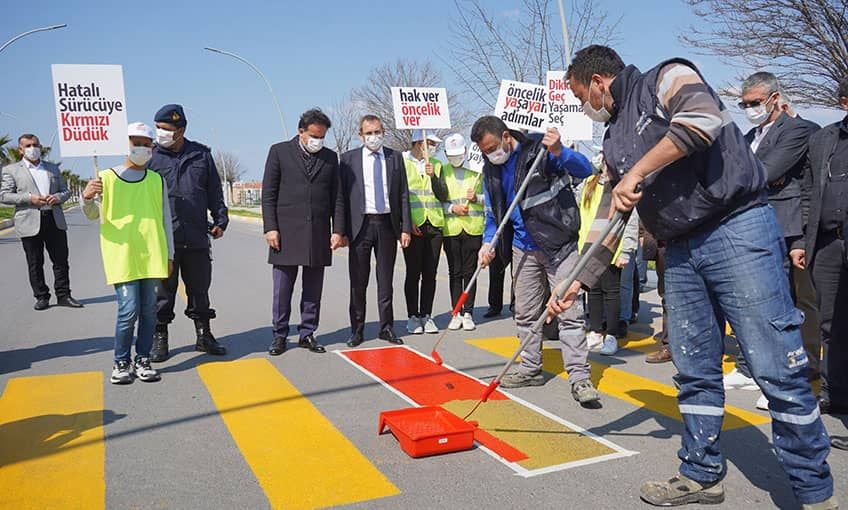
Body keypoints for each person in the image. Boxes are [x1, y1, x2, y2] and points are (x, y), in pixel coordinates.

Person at [559, 45, 833, 508]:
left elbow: (702, 121)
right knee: (694, 368)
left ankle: (813, 489)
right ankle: (702, 472)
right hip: (679, 248)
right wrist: (574, 283)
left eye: (581, 95)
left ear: (599, 82)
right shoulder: (612, 139)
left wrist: (640, 172)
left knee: (774, 364)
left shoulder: (666, 77)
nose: (584, 105)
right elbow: (612, 216)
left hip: (735, 228)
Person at [471, 117, 598, 405]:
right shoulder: (490, 169)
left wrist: (559, 151)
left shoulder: (539, 150)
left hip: (558, 244)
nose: (491, 154)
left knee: (569, 312)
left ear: (505, 136)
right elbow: (493, 215)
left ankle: (579, 377)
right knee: (525, 312)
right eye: (484, 151)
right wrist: (487, 243)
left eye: (493, 147)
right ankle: (530, 367)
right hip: (522, 248)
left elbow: (585, 168)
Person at [723, 73, 821, 410]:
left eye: (754, 102)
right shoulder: (751, 134)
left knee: (787, 305)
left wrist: (759, 175)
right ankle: (753, 368)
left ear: (774, 97)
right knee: (757, 302)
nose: (749, 109)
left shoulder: (798, 130)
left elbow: (764, 170)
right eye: (744, 104)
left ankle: (791, 378)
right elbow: (742, 172)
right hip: (753, 224)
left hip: (786, 224)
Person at [81, 122, 170, 384]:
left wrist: (170, 254)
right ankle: (121, 361)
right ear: (125, 144)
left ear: (152, 147)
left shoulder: (156, 180)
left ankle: (142, 359)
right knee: (128, 310)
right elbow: (92, 215)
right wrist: (87, 197)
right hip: (121, 255)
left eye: (146, 143)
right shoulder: (105, 178)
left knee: (150, 310)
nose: (141, 147)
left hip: (151, 254)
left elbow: (165, 219)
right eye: (135, 142)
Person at [148, 104, 228, 361]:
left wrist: (220, 219)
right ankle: (160, 338)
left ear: (180, 130)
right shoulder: (150, 158)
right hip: (164, 238)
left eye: (166, 129)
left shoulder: (201, 155)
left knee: (200, 289)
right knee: (163, 292)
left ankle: (204, 336)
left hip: (196, 235)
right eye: (158, 128)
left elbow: (214, 190)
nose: (160, 133)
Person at [261, 108, 345, 356]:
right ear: (301, 131)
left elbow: (337, 198)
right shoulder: (279, 152)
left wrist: (337, 230)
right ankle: (279, 335)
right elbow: (268, 194)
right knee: (282, 289)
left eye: (322, 137)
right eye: (313, 136)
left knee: (313, 289)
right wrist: (270, 227)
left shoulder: (330, 158)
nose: (317, 141)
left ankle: (307, 333)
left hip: (318, 233)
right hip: (285, 232)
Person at [793, 77, 848, 418]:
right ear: (844, 102)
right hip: (827, 245)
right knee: (831, 324)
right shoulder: (823, 140)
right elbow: (807, 193)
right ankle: (834, 393)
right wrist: (801, 241)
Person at [337, 115, 411, 347]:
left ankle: (386, 327)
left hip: (387, 225)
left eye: (377, 132)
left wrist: (405, 228)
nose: (374, 137)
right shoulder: (348, 159)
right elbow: (340, 198)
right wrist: (339, 230)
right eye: (369, 133)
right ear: (360, 135)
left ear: (383, 132)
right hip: (360, 226)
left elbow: (403, 195)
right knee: (358, 282)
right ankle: (357, 329)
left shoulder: (395, 157)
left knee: (385, 280)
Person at [0, 134, 83, 310]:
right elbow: (5, 195)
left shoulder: (52, 168)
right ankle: (41, 296)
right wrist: (30, 198)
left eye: (35, 144)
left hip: (54, 219)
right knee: (35, 262)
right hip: (29, 221)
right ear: (20, 149)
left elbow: (66, 191)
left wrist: (57, 197)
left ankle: (64, 295)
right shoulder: (11, 170)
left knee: (61, 260)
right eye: (28, 145)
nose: (33, 148)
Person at [578, 157, 638, 355]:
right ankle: (595, 331)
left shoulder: (623, 186)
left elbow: (631, 220)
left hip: (613, 246)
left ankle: (611, 335)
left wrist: (626, 250)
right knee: (593, 290)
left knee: (612, 292)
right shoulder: (589, 183)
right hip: (588, 246)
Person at [402, 130, 449, 334]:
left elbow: (443, 194)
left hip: (435, 224)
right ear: (418, 143)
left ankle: (427, 315)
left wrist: (433, 177)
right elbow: (400, 195)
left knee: (430, 273)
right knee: (413, 273)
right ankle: (413, 316)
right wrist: (406, 222)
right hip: (414, 225)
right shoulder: (403, 162)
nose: (433, 147)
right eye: (429, 143)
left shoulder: (437, 165)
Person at [440, 133, 485, 331]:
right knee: (455, 273)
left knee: (470, 273)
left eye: (458, 154)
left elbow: (488, 200)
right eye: (451, 155)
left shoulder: (476, 172)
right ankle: (455, 312)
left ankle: (468, 312)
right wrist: (452, 209)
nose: (455, 158)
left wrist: (477, 198)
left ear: (466, 152)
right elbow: (437, 200)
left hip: (473, 229)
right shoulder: (442, 172)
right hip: (451, 230)